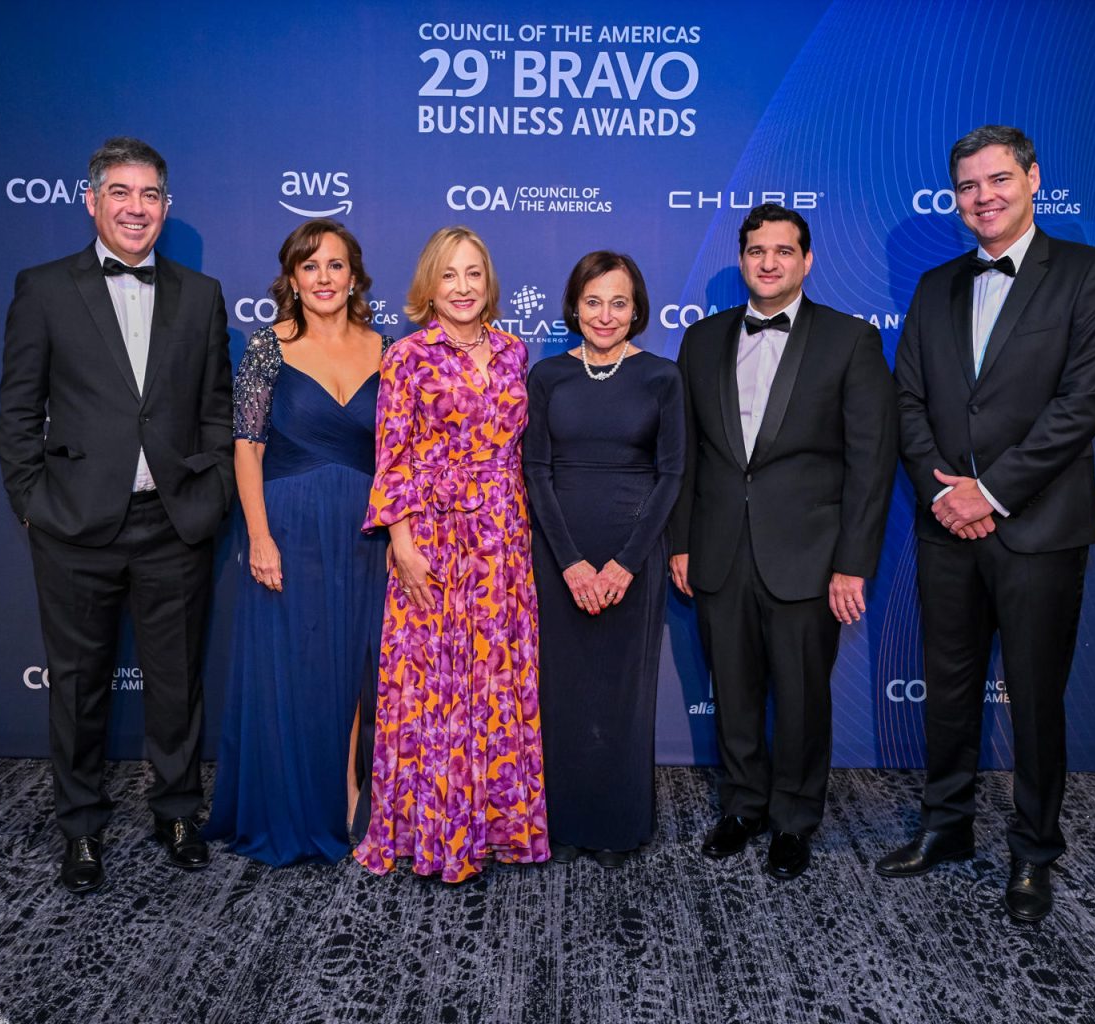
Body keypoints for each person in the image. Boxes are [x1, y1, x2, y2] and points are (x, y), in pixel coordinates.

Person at [877, 125, 1095, 923]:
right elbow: (906, 402)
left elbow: (1082, 404)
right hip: (945, 527)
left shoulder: (1089, 274)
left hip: (1039, 529)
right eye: (968, 187)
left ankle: (1032, 854)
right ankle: (945, 827)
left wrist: (990, 491)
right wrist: (945, 494)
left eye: (997, 180)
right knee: (948, 691)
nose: (983, 197)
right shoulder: (934, 285)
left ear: (1033, 179)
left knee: (1037, 699)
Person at [0, 137, 233, 894]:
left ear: (167, 205)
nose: (137, 208)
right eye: (122, 193)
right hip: (74, 526)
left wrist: (211, 489)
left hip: (172, 523)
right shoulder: (42, 287)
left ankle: (174, 811)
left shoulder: (201, 294)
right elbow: (16, 411)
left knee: (177, 681)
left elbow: (217, 409)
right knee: (76, 686)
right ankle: (82, 829)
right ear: (92, 199)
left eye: (151, 195)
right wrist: (36, 505)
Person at [668, 203, 897, 881]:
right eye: (757, 251)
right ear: (742, 259)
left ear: (807, 260)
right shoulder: (701, 340)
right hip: (718, 551)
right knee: (733, 693)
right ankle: (742, 806)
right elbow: (688, 455)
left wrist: (853, 564)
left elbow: (870, 460)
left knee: (800, 697)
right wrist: (681, 541)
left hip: (808, 557)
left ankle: (795, 818)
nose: (769, 262)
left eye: (784, 251)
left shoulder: (849, 340)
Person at [353, 226, 549, 883]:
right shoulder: (407, 356)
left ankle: (500, 830)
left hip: (503, 546)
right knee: (432, 692)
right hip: (433, 544)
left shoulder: (516, 352)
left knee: (496, 690)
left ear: (488, 282)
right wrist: (402, 543)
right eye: (449, 276)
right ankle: (436, 837)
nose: (463, 287)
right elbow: (394, 455)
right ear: (429, 286)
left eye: (473, 274)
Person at [204, 220, 388, 865]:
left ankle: (346, 796)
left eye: (335, 266)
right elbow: (247, 449)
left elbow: (399, 457)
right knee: (296, 667)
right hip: (287, 526)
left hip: (367, 532)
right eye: (310, 268)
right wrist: (259, 537)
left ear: (355, 276)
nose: (324, 279)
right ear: (291, 280)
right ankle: (290, 803)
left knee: (356, 669)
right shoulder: (267, 348)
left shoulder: (386, 349)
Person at [523, 252, 684, 868]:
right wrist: (568, 562)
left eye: (619, 302)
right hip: (558, 552)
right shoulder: (547, 377)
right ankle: (563, 822)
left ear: (637, 308)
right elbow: (534, 470)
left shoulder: (662, 378)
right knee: (561, 691)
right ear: (574, 306)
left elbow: (671, 476)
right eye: (593, 301)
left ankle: (618, 826)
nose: (606, 314)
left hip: (634, 558)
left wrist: (625, 563)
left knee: (623, 693)